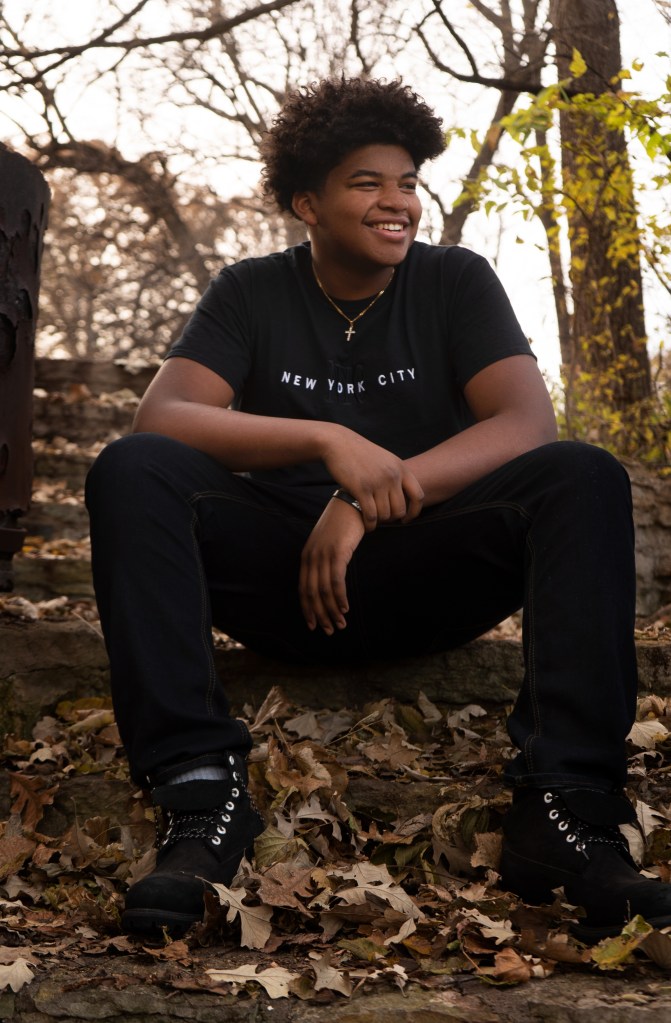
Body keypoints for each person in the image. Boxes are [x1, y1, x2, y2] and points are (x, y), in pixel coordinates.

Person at [85, 76, 671, 943]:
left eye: (407, 182)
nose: (397, 201)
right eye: (367, 183)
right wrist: (326, 439)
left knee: (581, 474)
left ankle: (566, 806)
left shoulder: (453, 280)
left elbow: (524, 422)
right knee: (133, 468)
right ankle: (201, 792)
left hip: (427, 575)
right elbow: (163, 416)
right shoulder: (251, 291)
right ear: (307, 203)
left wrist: (361, 499)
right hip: (281, 583)